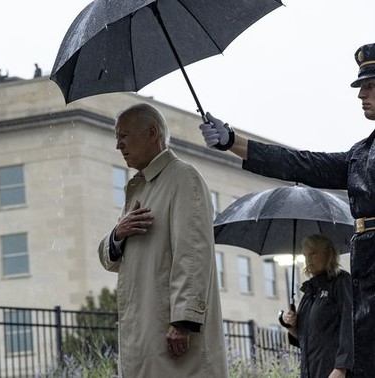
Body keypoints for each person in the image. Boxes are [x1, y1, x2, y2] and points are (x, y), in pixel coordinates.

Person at [199, 42, 375, 377]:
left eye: (369, 86)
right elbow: (302, 163)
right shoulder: (361, 155)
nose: (360, 95)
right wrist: (232, 141)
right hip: (368, 271)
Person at [99, 103, 227, 377]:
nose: (118, 146)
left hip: (173, 336)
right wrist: (117, 234)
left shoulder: (183, 177)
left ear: (152, 132)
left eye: (123, 136)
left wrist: (184, 320)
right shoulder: (138, 189)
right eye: (116, 138)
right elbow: (107, 258)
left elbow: (193, 251)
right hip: (146, 334)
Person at [281, 234, 353, 378]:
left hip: (334, 371)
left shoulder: (341, 282)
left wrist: (341, 367)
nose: (308, 259)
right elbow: (307, 338)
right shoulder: (309, 291)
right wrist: (292, 327)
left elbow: (350, 324)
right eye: (305, 255)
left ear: (328, 254)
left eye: (313, 253)